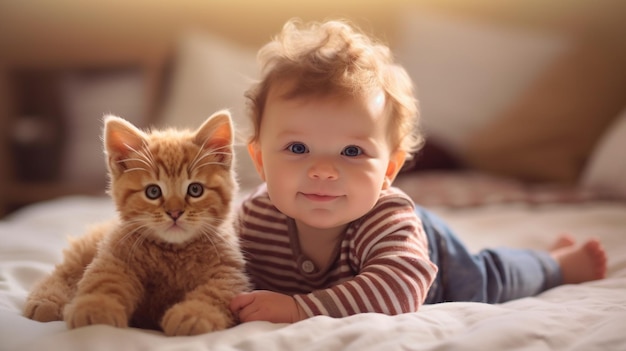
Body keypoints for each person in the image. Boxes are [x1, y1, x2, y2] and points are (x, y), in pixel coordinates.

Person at [229, 18, 607, 324]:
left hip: (438, 264)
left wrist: (300, 309)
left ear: (389, 169)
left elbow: (398, 288)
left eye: (352, 151)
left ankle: (554, 264)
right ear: (261, 161)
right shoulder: (253, 218)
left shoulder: (386, 219)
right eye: (297, 148)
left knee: (491, 277)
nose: (324, 170)